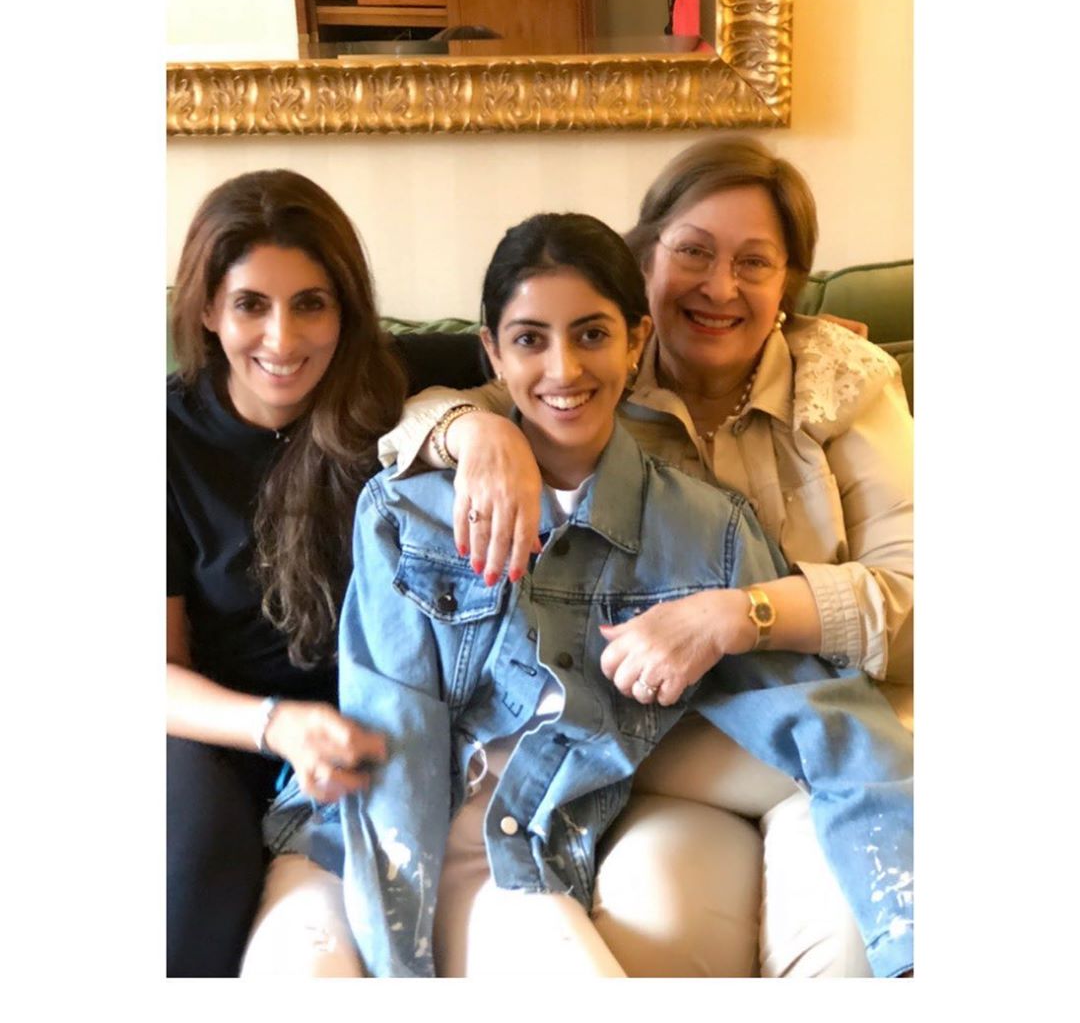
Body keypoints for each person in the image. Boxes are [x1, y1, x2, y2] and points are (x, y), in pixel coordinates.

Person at [263, 212, 914, 979]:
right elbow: (393, 749)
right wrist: (400, 966)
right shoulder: (408, 510)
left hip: (516, 851)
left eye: (592, 334)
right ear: (492, 352)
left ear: (637, 341)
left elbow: (832, 725)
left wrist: (908, 940)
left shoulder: (708, 532)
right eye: (530, 339)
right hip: (352, 846)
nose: (564, 368)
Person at [167, 169, 412, 977]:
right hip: (227, 733)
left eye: (311, 303)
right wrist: (276, 725)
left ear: (346, 310)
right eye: (251, 304)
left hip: (381, 727)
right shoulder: (160, 437)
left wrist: (479, 432)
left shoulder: (388, 392)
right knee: (193, 873)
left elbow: (499, 375)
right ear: (208, 309)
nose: (282, 338)